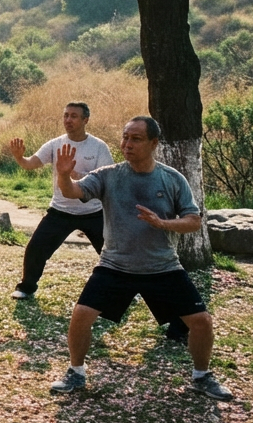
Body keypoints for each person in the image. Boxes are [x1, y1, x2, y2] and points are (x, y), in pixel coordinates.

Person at [48, 116, 233, 401]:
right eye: (124, 137)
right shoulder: (108, 175)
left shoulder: (172, 178)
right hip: (115, 265)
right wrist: (63, 175)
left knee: (201, 321)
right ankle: (76, 372)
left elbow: (194, 221)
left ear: (153, 143)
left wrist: (163, 224)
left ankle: (201, 376)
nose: (127, 144)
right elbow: (74, 191)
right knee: (81, 316)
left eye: (135, 139)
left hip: (162, 266)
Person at [6, 101, 116, 300]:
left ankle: (123, 290)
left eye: (74, 116)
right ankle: (26, 287)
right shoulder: (56, 144)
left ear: (85, 120)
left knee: (113, 252)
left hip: (93, 211)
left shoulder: (99, 147)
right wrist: (19, 158)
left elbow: (107, 180)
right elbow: (31, 164)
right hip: (60, 210)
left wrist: (76, 174)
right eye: (66, 115)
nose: (68, 120)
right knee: (35, 249)